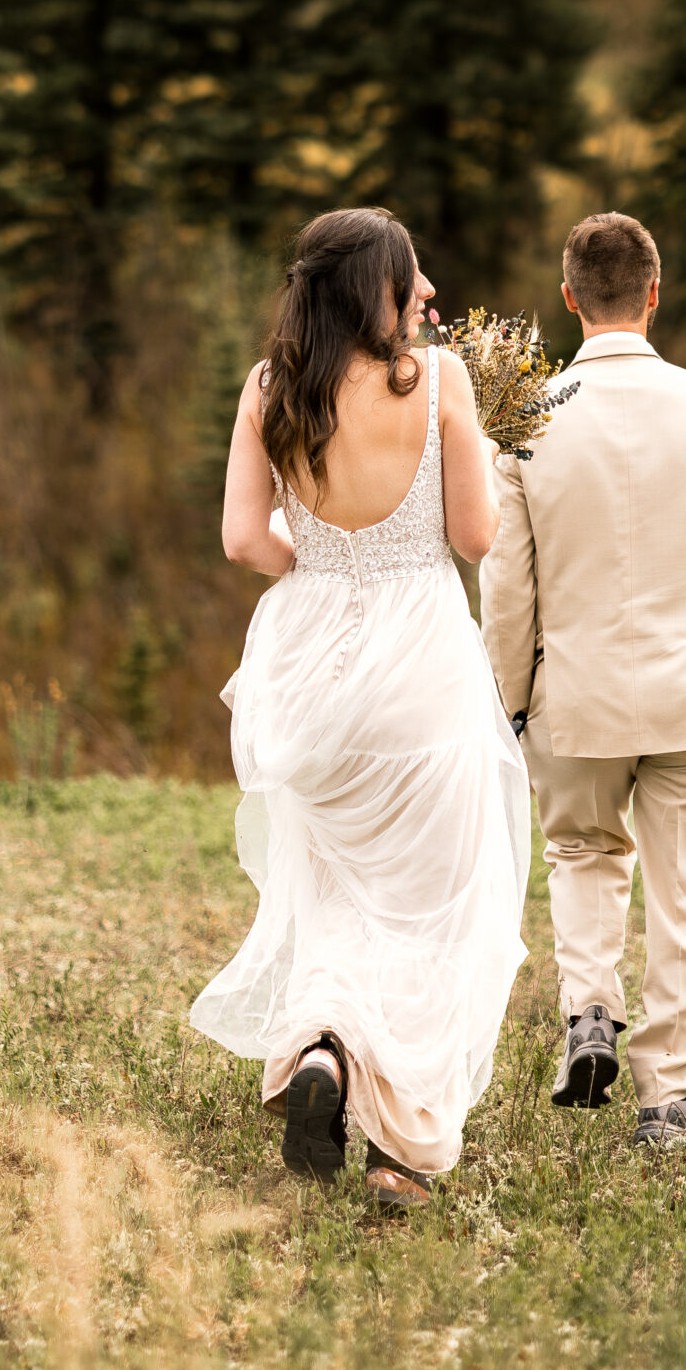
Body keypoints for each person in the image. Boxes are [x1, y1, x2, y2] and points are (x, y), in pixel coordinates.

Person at [190, 207, 530, 1211]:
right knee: (434, 903)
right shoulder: (439, 385)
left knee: (338, 889)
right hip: (419, 662)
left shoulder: (270, 388)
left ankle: (327, 1057)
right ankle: (402, 1151)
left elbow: (243, 540)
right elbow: (473, 535)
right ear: (371, 288)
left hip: (310, 670)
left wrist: (327, 565)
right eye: (412, 279)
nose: (427, 294)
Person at [479, 211, 686, 1149]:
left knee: (581, 853)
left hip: (571, 697)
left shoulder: (525, 421)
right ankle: (669, 1097)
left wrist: (512, 700)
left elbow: (507, 583)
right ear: (655, 293)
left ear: (569, 298)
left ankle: (589, 1012)